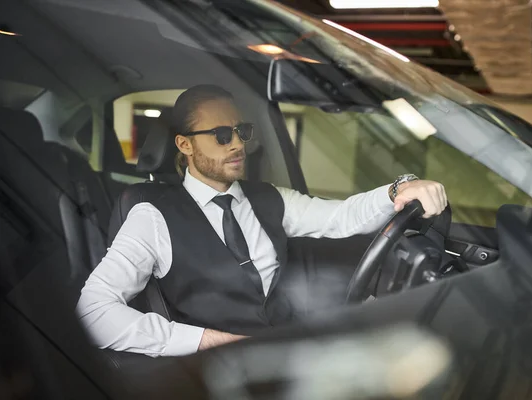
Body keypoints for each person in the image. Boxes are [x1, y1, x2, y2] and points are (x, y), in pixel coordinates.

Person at [76, 85, 448, 357]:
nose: (237, 144)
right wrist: (210, 341)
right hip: (219, 373)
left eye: (242, 132)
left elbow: (340, 217)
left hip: (292, 355)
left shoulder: (269, 197)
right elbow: (94, 312)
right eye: (222, 135)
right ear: (185, 145)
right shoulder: (151, 215)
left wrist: (399, 188)